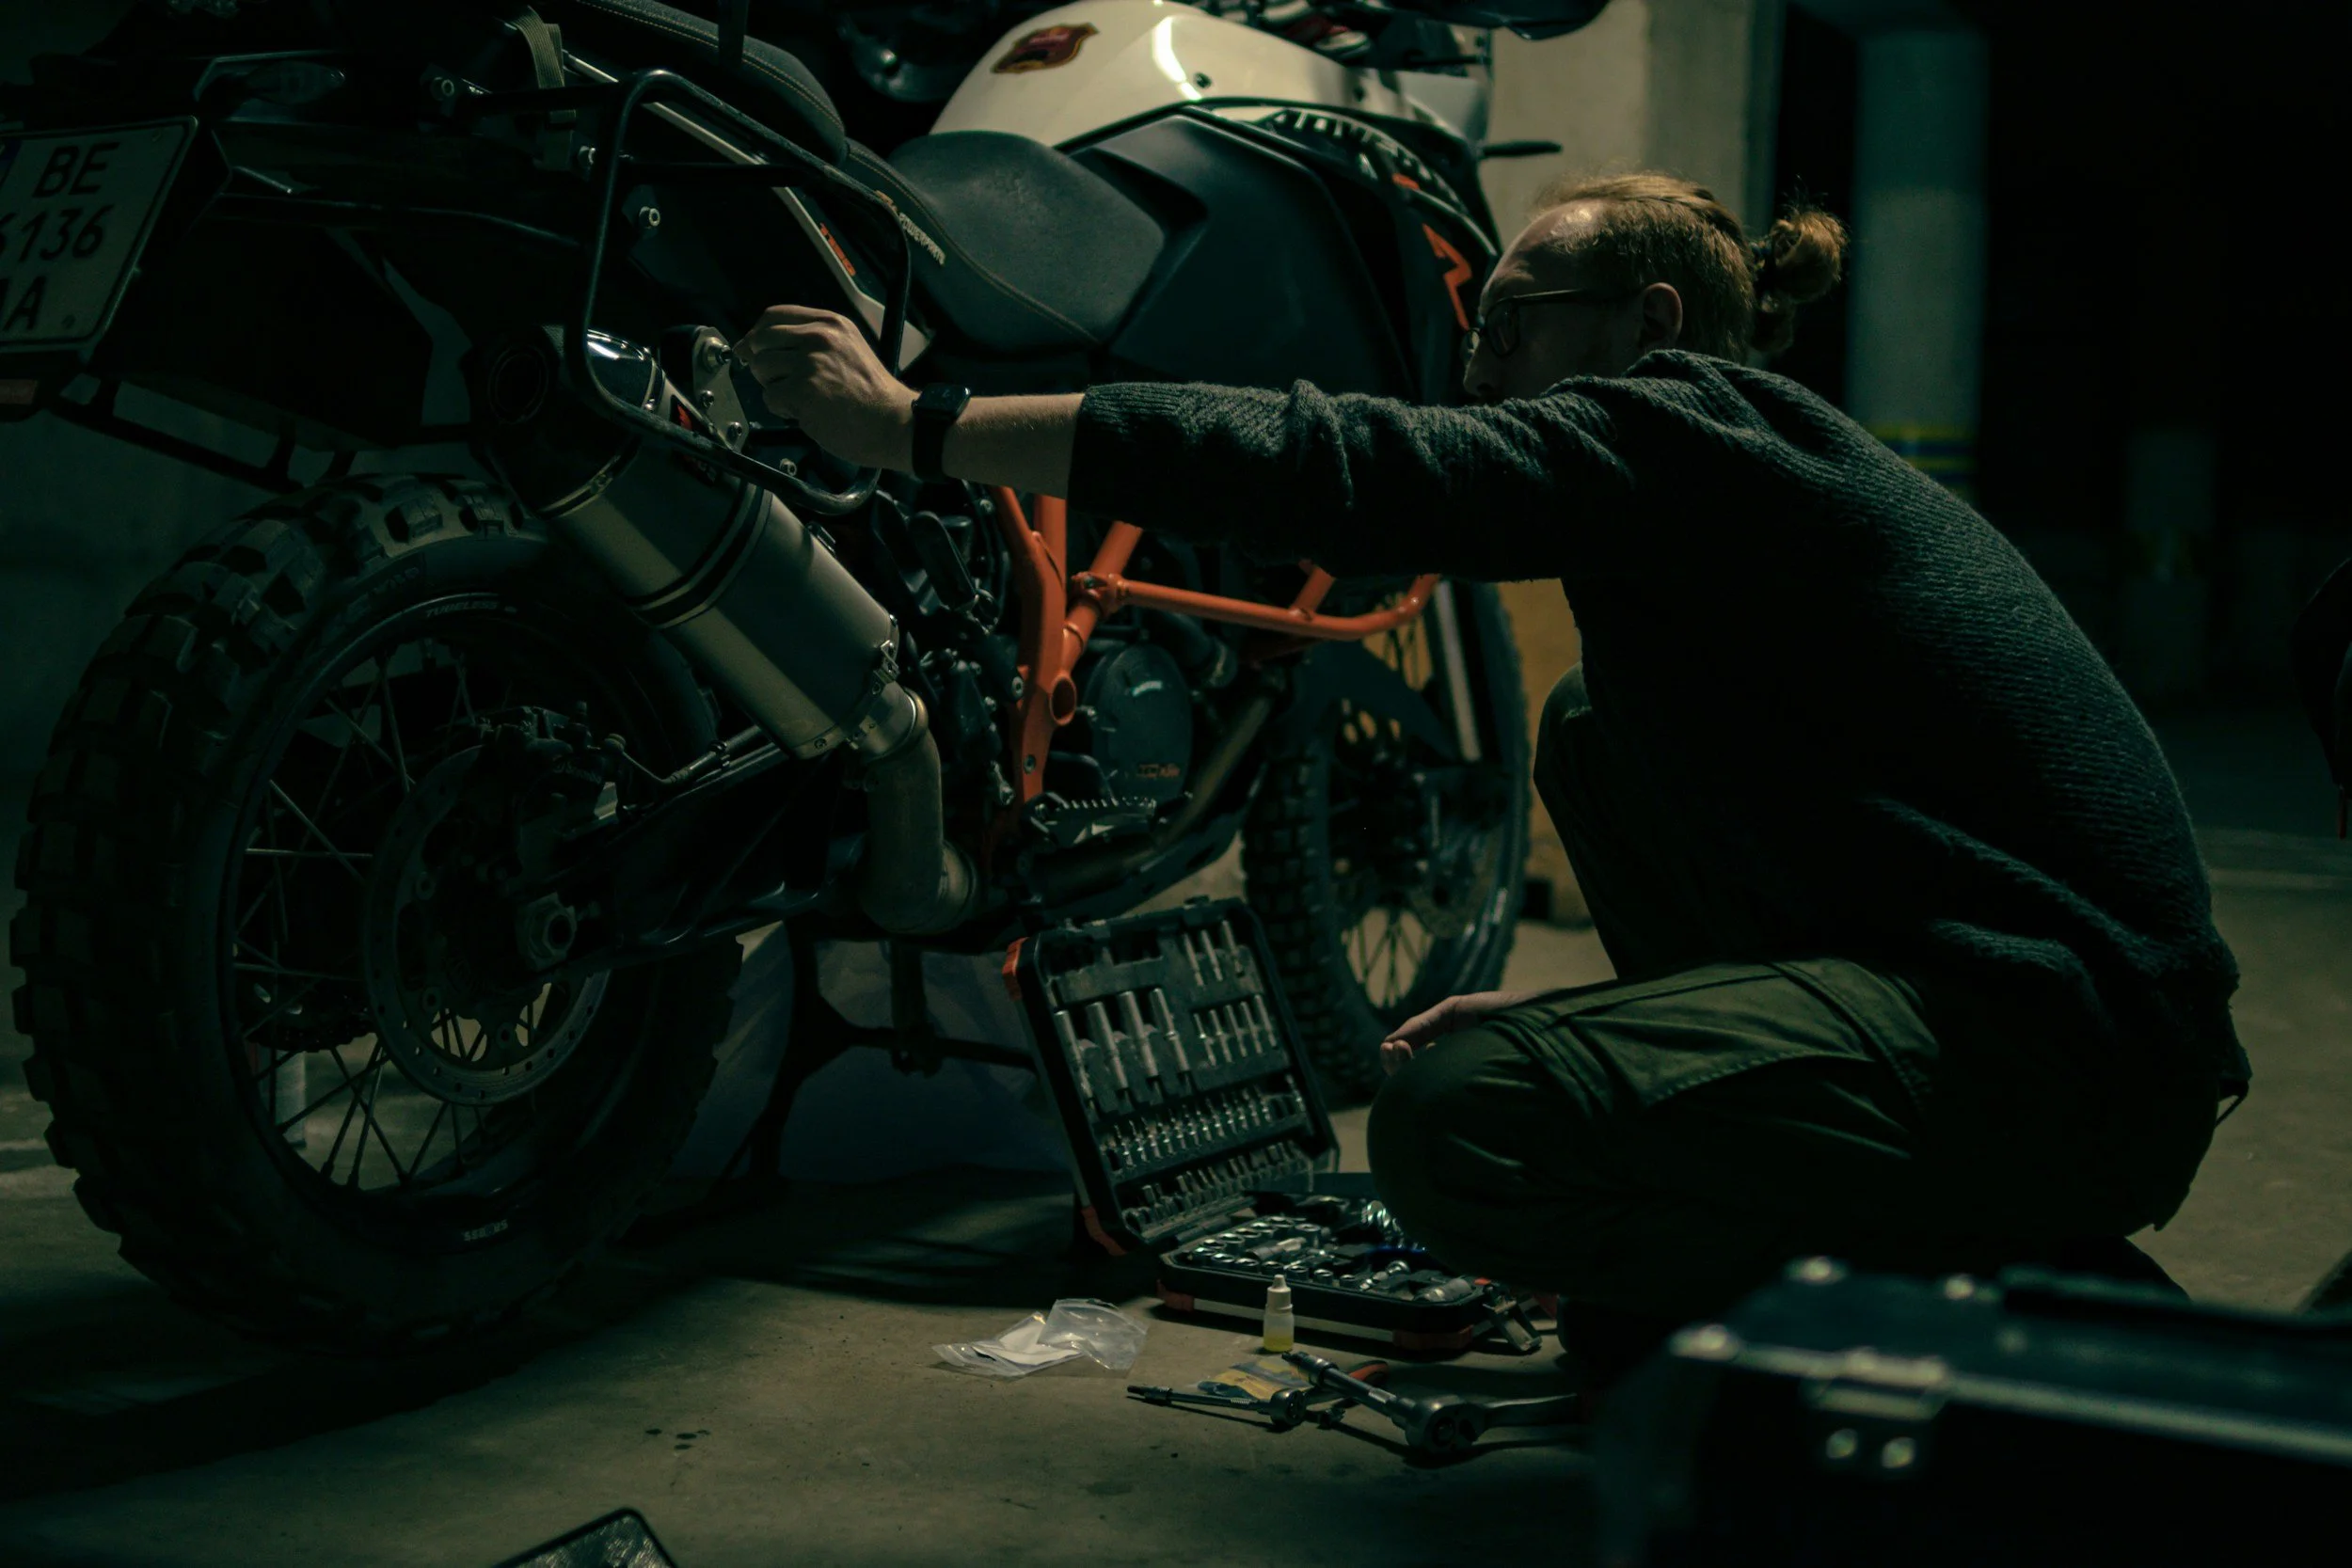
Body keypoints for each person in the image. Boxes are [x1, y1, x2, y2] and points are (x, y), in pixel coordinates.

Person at [736, 171, 2248, 1368]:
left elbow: (1347, 465)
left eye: (1518, 320)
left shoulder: (1699, 429)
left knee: (1464, 1122)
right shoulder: (1723, 503)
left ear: (1647, 321)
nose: (1481, 356)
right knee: (1593, 728)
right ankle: (1866, 1242)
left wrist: (912, 426)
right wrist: (1617, 1020)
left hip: (2065, 1056)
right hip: (2026, 1020)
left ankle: (1908, 1309)